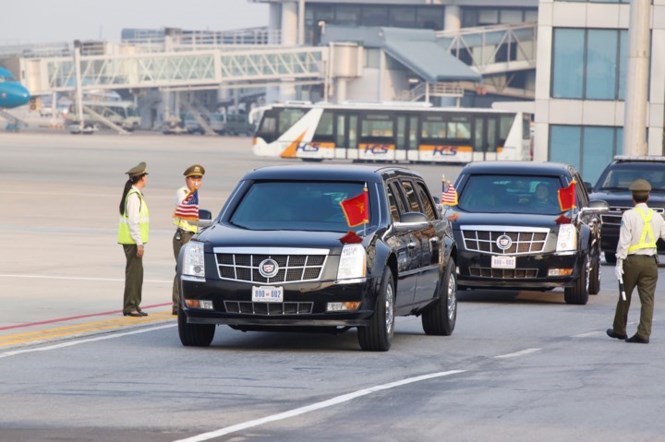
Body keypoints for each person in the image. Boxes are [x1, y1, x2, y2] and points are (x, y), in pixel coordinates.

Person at [607, 179, 665, 343]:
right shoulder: (657, 216)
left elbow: (624, 241)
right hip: (651, 263)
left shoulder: (628, 215)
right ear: (648, 196)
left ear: (633, 197)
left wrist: (619, 261)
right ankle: (644, 333)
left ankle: (620, 329)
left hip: (632, 262)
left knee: (625, 295)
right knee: (648, 299)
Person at [117, 161, 150, 317]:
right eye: (145, 175)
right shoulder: (133, 197)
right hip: (132, 241)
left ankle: (135, 304)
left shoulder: (135, 194)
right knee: (133, 275)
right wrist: (139, 243)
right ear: (141, 178)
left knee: (137, 274)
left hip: (134, 241)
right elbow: (133, 221)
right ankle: (130, 306)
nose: (147, 178)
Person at [172, 164, 205, 315]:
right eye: (193, 178)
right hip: (183, 235)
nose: (196, 181)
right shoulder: (183, 192)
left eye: (199, 178)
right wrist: (193, 191)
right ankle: (177, 304)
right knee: (181, 269)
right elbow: (182, 205)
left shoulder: (195, 195)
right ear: (187, 179)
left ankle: (184, 301)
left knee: (189, 270)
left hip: (192, 235)